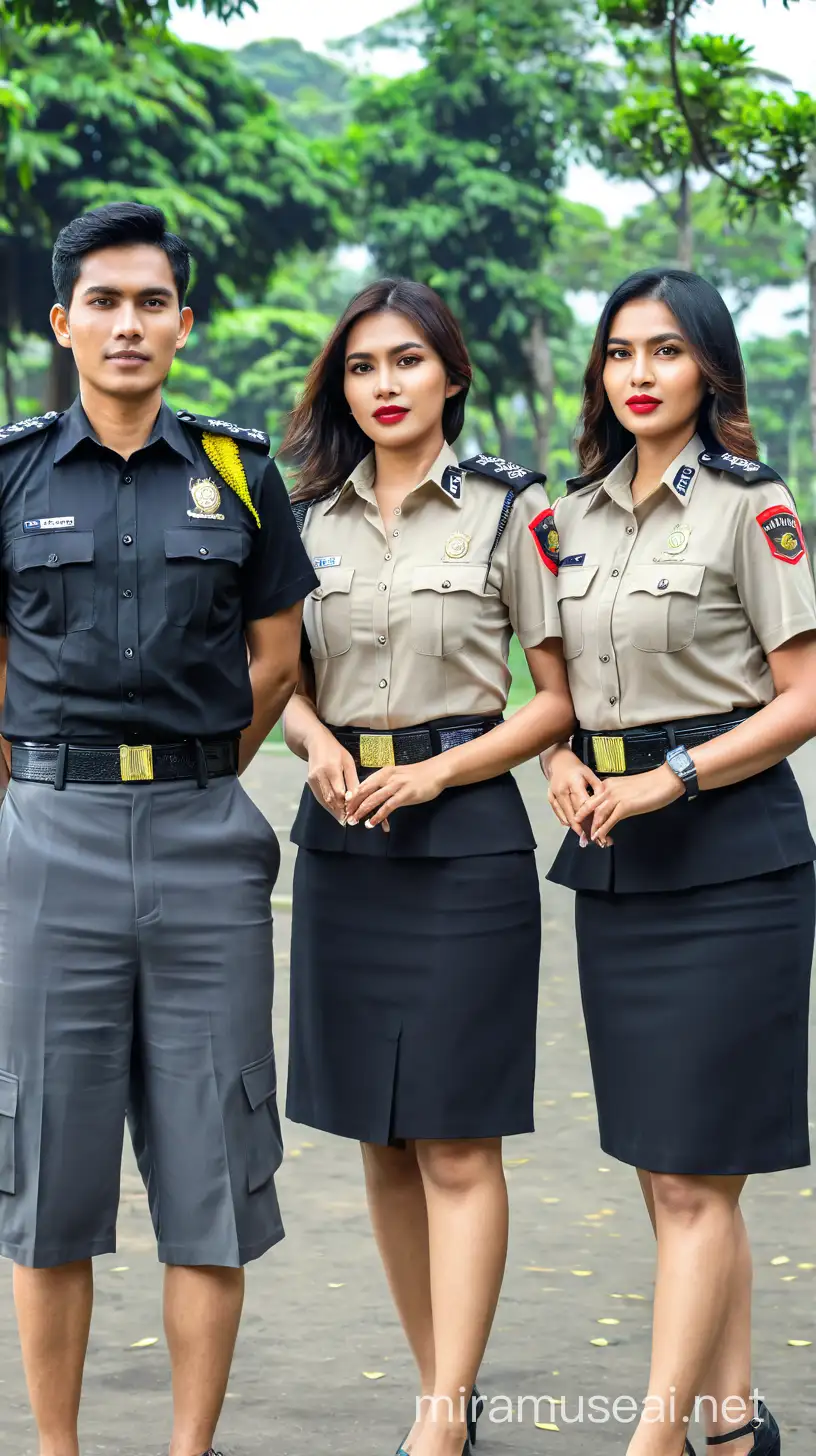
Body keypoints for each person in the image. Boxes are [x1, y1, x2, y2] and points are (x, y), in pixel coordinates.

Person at [0, 201, 319, 1456]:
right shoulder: (10, 473)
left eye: (152, 303)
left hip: (203, 835)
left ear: (185, 322)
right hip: (51, 838)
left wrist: (191, 773)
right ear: (62, 319)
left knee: (212, 1169)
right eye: (105, 301)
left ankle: (191, 1449)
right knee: (46, 1172)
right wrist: (55, 788)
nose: (127, 324)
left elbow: (277, 662)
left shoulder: (238, 473)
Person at [279, 278, 573, 1456]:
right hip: (347, 839)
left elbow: (557, 699)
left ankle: (444, 1410)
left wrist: (442, 774)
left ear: (450, 372)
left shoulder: (513, 509)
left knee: (456, 1134)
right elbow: (281, 683)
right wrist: (314, 744)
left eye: (406, 362)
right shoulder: (302, 520)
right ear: (340, 387)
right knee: (380, 1135)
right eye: (361, 368)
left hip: (465, 839)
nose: (384, 385)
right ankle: (433, 1380)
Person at [543, 267, 816, 1456]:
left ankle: (653, 1441)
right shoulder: (574, 514)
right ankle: (729, 1418)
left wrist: (677, 775)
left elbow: (806, 694)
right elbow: (564, 692)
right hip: (619, 853)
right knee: (669, 1167)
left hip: (732, 856)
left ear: (708, 365)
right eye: (618, 353)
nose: (639, 373)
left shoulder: (752, 506)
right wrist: (565, 762)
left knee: (701, 1173)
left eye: (664, 350)